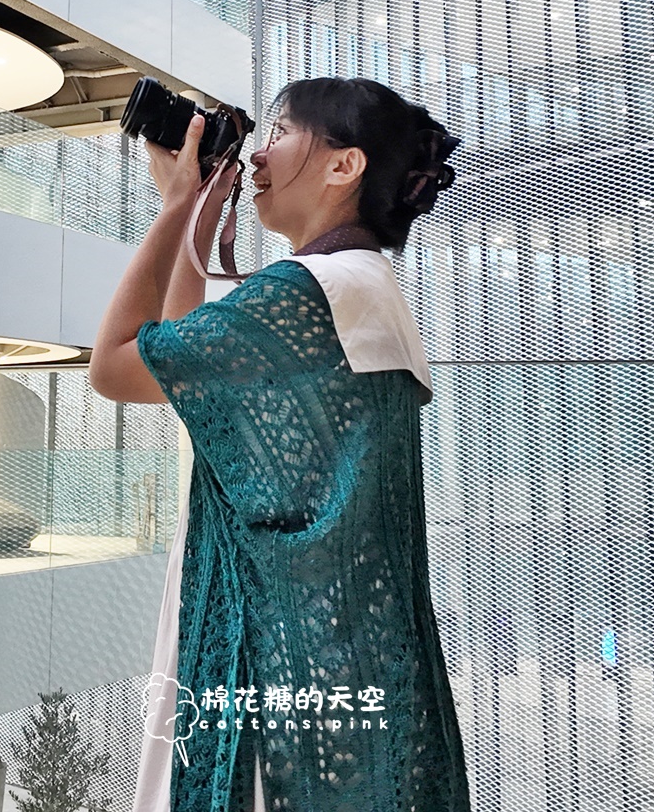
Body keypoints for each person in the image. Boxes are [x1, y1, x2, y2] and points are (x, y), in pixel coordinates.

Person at [90, 76, 471, 812]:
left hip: (275, 658)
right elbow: (179, 361)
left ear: (343, 166)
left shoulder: (305, 291)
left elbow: (116, 366)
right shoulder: (361, 285)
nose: (257, 157)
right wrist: (203, 210)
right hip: (340, 650)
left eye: (280, 133)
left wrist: (176, 208)